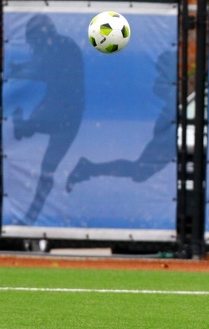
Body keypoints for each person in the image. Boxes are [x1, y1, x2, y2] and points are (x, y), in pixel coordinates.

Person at [8, 14, 85, 225]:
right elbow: (43, 66)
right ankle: (29, 219)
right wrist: (20, 69)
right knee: (47, 170)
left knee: (46, 170)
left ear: (42, 35)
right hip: (65, 113)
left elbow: (44, 71)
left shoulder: (61, 48)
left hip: (61, 113)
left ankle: (29, 219)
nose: (34, 46)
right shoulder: (58, 46)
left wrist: (18, 72)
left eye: (34, 41)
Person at [65, 51, 176, 192]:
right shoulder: (178, 66)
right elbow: (159, 89)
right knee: (140, 172)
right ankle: (89, 168)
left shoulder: (186, 65)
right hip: (172, 128)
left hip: (175, 125)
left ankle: (89, 168)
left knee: (141, 172)